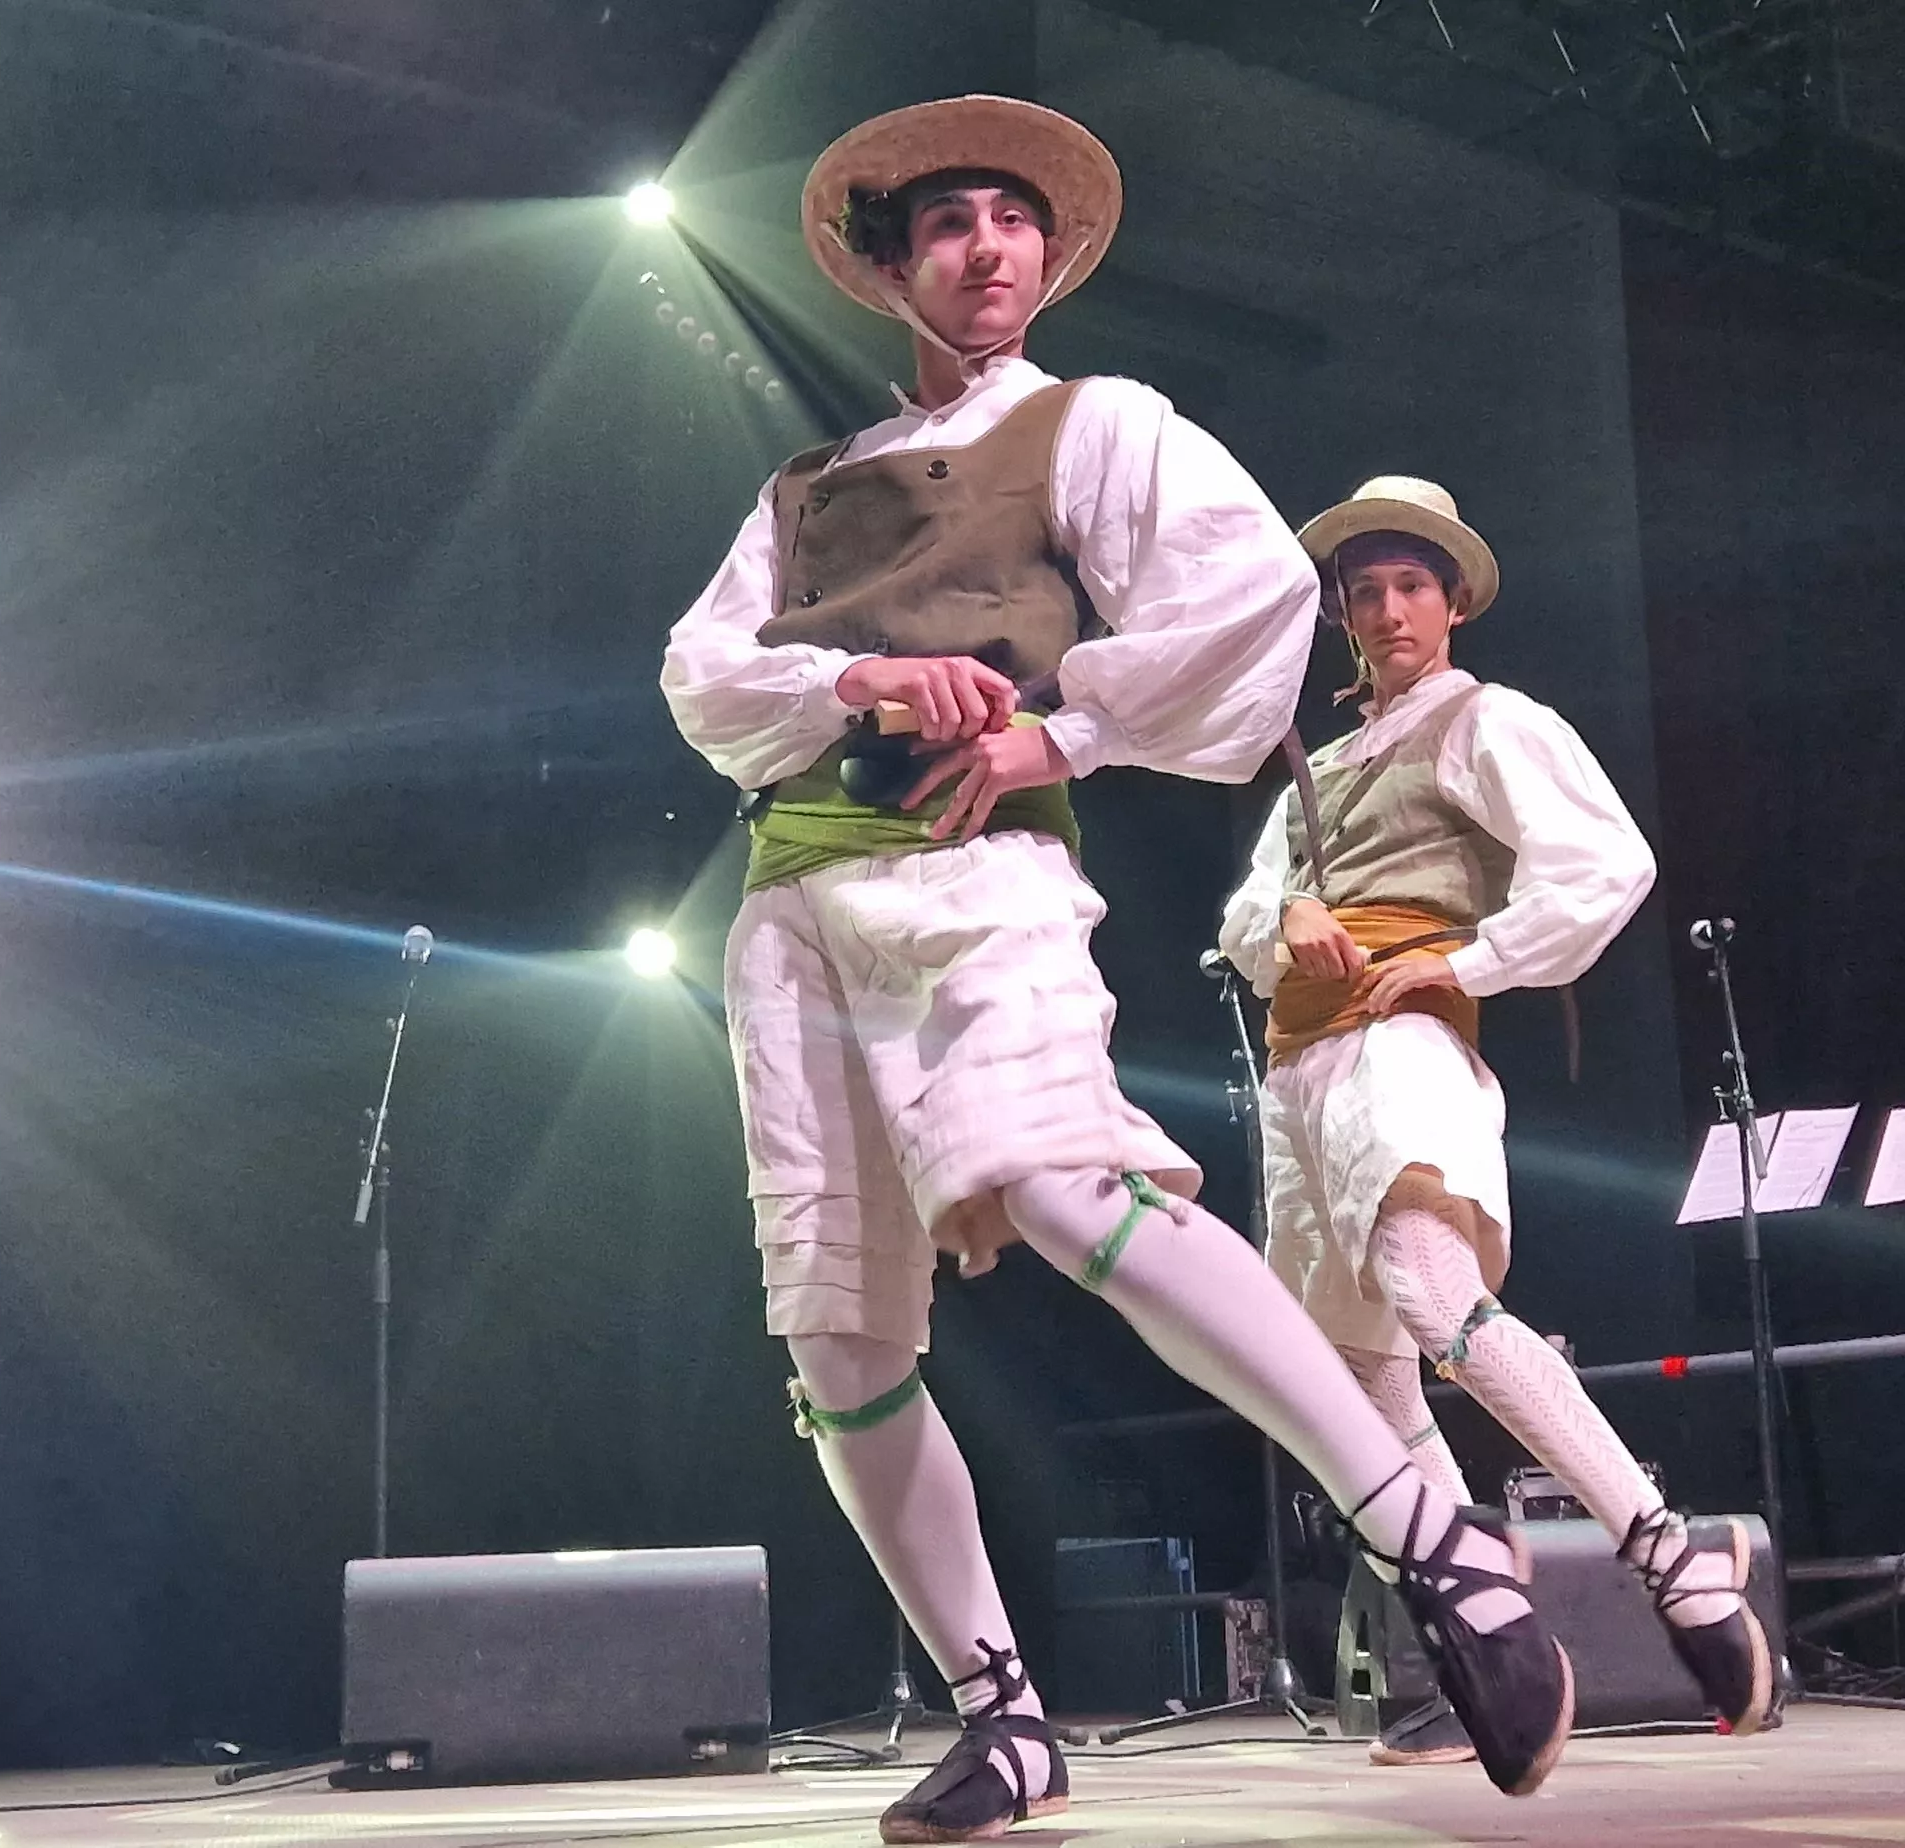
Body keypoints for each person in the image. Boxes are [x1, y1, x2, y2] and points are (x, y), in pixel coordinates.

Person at [660, 101, 1577, 1842]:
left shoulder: (1095, 428)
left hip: (978, 876)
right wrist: (857, 685)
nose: (987, 248)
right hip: (793, 907)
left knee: (1072, 1188)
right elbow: (705, 683)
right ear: (891, 262)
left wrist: (1051, 728)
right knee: (838, 1325)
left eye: (1013, 220)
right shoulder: (800, 489)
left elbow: (1241, 604)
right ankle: (997, 1714)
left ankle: (1434, 1535)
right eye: (950, 224)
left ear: (1047, 257)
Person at [1216, 477, 1780, 1763]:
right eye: (1365, 594)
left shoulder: (1485, 719)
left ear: (1453, 600)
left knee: (1434, 1297)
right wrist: (1283, 921)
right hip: (1301, 1074)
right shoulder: (1323, 762)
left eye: (1410, 587)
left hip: (1400, 1046)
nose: (1388, 612)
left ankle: (1670, 1557)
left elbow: (1605, 861)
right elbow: (1243, 922)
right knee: (1358, 1375)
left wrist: (1467, 966)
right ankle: (1474, 1647)